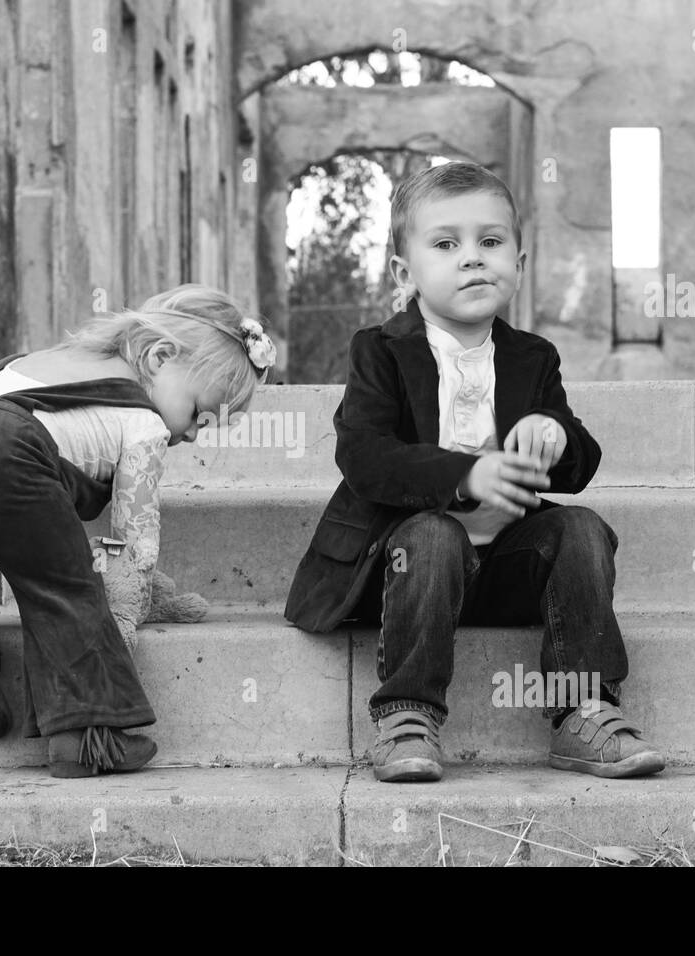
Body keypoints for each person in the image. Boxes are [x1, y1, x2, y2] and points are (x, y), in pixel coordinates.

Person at [284, 162, 664, 782]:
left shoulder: (531, 356)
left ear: (519, 261)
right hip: (407, 568)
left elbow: (580, 464)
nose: (472, 259)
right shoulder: (379, 351)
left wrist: (554, 433)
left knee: (582, 529)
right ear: (405, 273)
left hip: (505, 567)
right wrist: (466, 474)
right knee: (433, 535)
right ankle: (407, 717)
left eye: (490, 243)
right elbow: (365, 459)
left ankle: (584, 711)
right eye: (445, 244)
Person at [0, 284, 275, 777]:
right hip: (4, 451)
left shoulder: (52, 360)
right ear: (159, 357)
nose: (193, 433)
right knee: (63, 589)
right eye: (199, 411)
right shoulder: (144, 423)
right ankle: (85, 736)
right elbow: (135, 542)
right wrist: (130, 583)